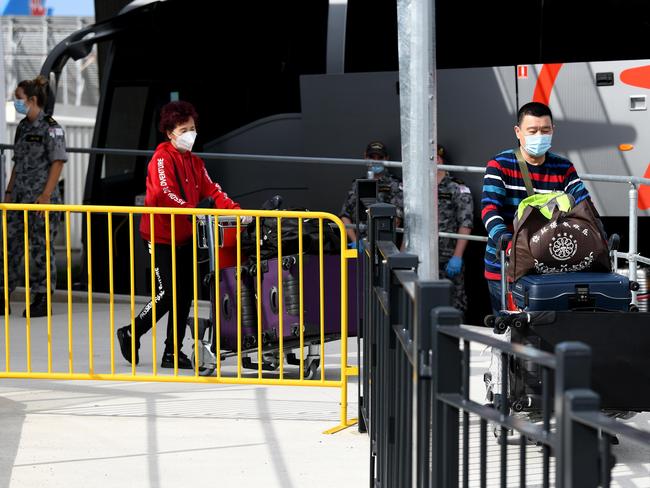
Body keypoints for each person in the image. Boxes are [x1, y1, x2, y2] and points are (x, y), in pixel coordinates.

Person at [481, 101, 591, 409]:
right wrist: (503, 237)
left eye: (545, 130)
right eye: (532, 130)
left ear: (553, 130)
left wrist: (597, 233)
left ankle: (548, 395)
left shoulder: (562, 167)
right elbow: (489, 207)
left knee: (553, 328)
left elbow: (583, 203)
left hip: (552, 267)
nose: (538, 135)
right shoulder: (500, 165)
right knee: (511, 329)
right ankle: (504, 391)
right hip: (508, 265)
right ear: (518, 132)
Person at [116, 101, 243, 369]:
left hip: (185, 237)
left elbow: (213, 191)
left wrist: (237, 211)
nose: (191, 134)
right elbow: (164, 193)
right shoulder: (161, 159)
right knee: (168, 293)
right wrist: (192, 211)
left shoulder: (195, 162)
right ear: (170, 133)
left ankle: (172, 352)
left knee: (184, 295)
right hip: (159, 236)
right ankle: (132, 331)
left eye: (193, 129)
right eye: (184, 129)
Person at [1, 75, 67, 318]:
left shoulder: (52, 128)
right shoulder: (22, 127)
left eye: (18, 99)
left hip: (41, 199)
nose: (16, 103)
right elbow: (18, 163)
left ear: (32, 99)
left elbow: (58, 162)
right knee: (10, 246)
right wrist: (9, 193)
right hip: (19, 198)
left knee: (40, 248)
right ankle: (3, 294)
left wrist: (46, 195)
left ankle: (41, 298)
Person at [340, 141, 403, 245]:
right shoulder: (358, 184)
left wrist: (379, 244)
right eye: (372, 157)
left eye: (380, 158)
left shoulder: (395, 184)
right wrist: (355, 241)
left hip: (385, 244)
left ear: (386, 159)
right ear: (365, 157)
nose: (376, 161)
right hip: (360, 244)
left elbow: (397, 219)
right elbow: (345, 215)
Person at [436, 145, 473, 313]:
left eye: (437, 158)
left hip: (448, 257)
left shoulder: (457, 188)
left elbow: (465, 223)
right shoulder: (419, 187)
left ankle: (458, 339)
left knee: (454, 304)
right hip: (421, 255)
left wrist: (457, 256)